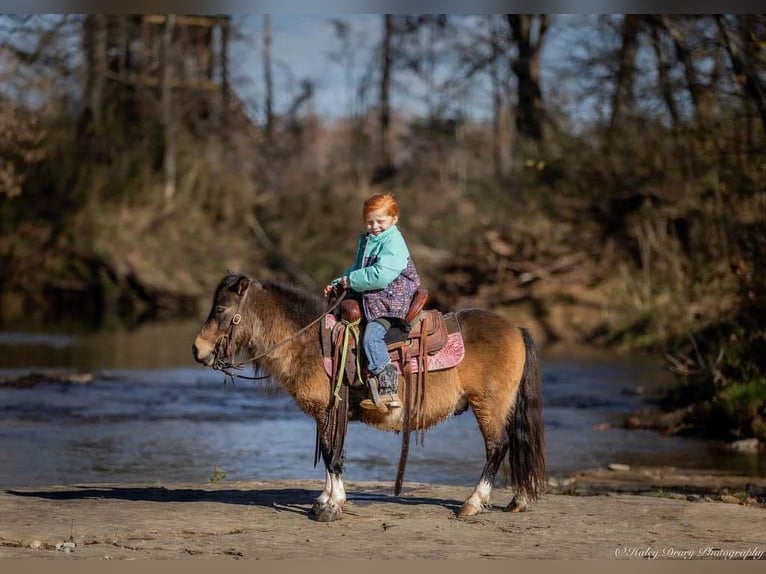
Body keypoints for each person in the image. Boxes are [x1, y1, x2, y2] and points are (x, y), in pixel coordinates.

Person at [324, 193, 421, 411]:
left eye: (380, 221)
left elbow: (380, 275)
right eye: (370, 221)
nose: (375, 226)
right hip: (374, 296)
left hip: (390, 302)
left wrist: (350, 281)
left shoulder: (394, 242)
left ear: (394, 219)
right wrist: (339, 282)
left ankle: (389, 389)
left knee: (371, 338)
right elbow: (358, 269)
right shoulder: (369, 240)